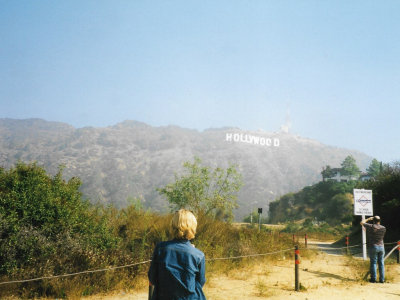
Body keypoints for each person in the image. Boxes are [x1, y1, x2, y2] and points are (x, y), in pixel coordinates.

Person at [148, 209, 206, 300]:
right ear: (193, 227)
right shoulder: (198, 255)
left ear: (173, 225)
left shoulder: (160, 249)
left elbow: (152, 279)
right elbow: (200, 283)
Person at [360, 215, 386, 283]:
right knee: (381, 263)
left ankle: (373, 279)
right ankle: (382, 279)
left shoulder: (370, 226)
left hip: (373, 246)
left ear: (373, 220)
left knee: (373, 263)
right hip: (381, 247)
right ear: (379, 221)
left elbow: (361, 222)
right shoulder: (383, 228)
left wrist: (368, 219)